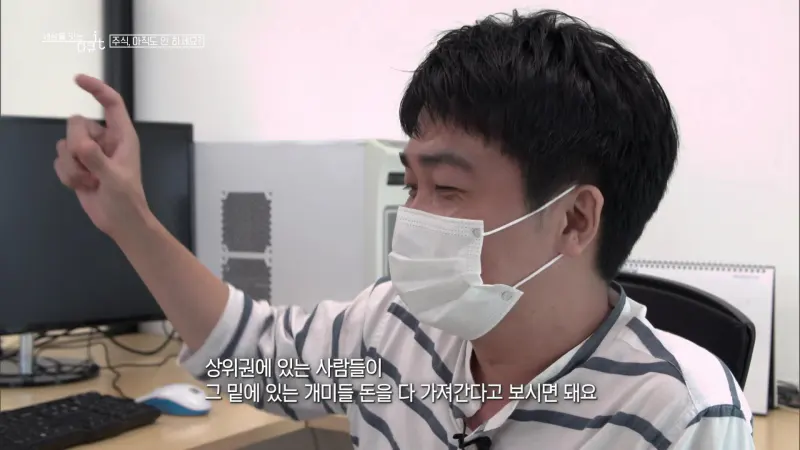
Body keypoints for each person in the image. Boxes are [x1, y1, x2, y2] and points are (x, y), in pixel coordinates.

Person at [55, 9, 754, 450]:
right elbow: (251, 359)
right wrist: (129, 219)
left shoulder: (678, 411)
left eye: (446, 189)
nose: (415, 216)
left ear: (573, 220)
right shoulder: (395, 326)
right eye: (409, 184)